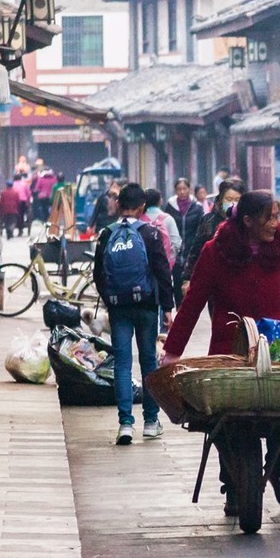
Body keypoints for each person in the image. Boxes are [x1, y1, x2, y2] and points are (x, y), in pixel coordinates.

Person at [161, 190, 280, 514]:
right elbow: (193, 303)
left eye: (277, 216)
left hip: (278, 348)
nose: (276, 223)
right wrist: (172, 352)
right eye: (270, 217)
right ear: (248, 221)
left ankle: (278, 469)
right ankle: (231, 483)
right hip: (229, 350)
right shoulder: (215, 251)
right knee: (225, 421)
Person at [93, 183, 175, 446]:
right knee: (149, 361)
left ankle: (125, 424)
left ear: (118, 205)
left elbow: (98, 275)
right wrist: (168, 307)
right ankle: (151, 422)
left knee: (122, 363)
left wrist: (111, 300)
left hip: (119, 309)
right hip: (147, 307)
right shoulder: (150, 233)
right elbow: (163, 272)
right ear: (142, 207)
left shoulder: (107, 234)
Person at [179, 177, 247, 289]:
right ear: (221, 199)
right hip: (215, 281)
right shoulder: (208, 221)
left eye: (237, 199)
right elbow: (197, 249)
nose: (233, 203)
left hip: (243, 279)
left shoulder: (248, 221)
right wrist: (188, 278)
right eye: (229, 199)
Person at [165, 177, 204, 304]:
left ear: (189, 189)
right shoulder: (170, 207)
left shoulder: (197, 208)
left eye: (184, 189)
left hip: (192, 252)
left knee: (192, 287)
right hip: (175, 253)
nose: (182, 192)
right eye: (179, 189)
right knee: (177, 286)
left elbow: (201, 229)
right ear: (175, 190)